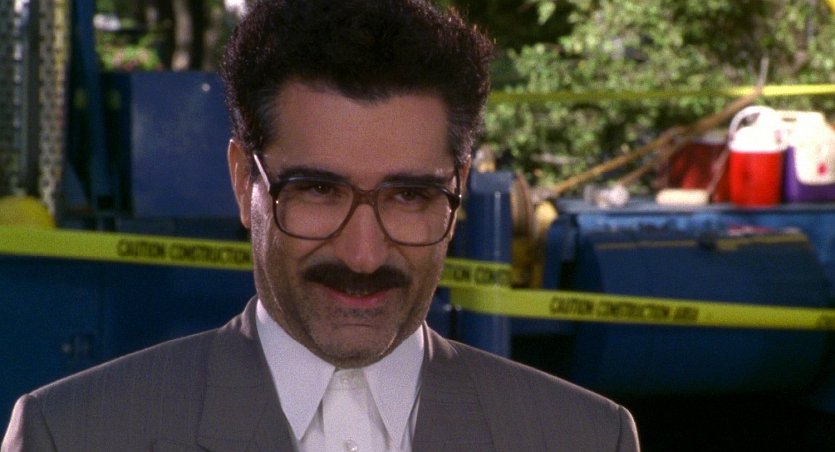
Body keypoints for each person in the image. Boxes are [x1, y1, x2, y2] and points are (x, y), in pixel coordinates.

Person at [2, 0, 640, 450]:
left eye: (410, 195)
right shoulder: (73, 434)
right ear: (243, 182)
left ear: (459, 189)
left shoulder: (586, 438)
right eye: (317, 190)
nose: (364, 255)